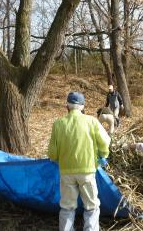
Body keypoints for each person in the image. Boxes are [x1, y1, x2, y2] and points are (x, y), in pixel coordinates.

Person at [48, 92, 111, 231]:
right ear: (83, 107)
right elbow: (105, 141)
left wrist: (57, 159)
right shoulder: (92, 121)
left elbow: (52, 153)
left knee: (67, 206)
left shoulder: (58, 124)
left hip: (66, 172)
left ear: (67, 107)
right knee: (91, 206)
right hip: (87, 171)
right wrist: (103, 155)